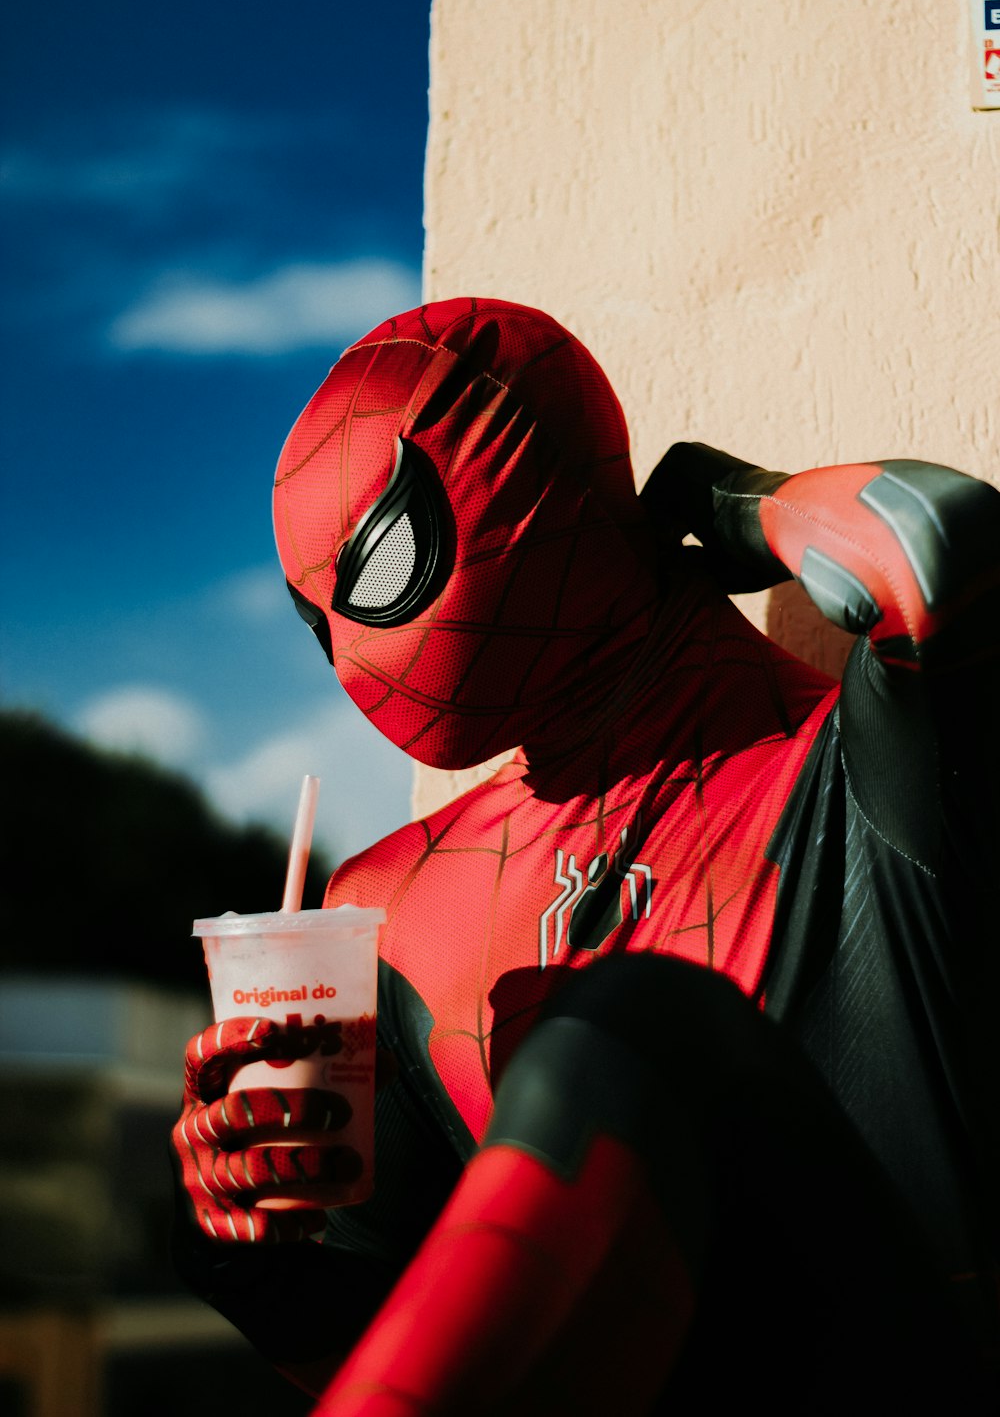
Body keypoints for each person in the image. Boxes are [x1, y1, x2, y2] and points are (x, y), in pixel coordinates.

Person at [171, 298, 999, 1413]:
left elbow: (938, 550)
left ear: (534, 473)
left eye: (381, 564)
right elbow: (385, 1347)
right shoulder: (388, 901)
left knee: (629, 1024)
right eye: (316, 620)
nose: (353, 652)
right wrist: (259, 1248)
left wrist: (733, 505)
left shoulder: (857, 761)